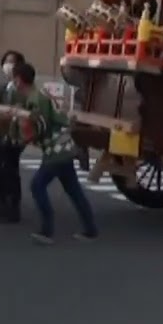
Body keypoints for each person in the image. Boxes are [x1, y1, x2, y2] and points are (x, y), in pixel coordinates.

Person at [10, 62, 98, 245]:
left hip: (56, 149)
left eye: (14, 78)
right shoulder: (38, 94)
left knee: (37, 186)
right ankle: (90, 230)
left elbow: (40, 127)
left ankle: (47, 230)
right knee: (73, 190)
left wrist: (20, 127)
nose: (13, 82)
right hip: (64, 146)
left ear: (19, 81)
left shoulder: (36, 99)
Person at [0, 50, 28, 223]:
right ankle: (3, 200)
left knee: (10, 169)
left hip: (15, 136)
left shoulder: (22, 90)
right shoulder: (4, 88)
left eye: (13, 62)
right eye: (6, 61)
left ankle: (13, 206)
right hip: (1, 134)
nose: (8, 65)